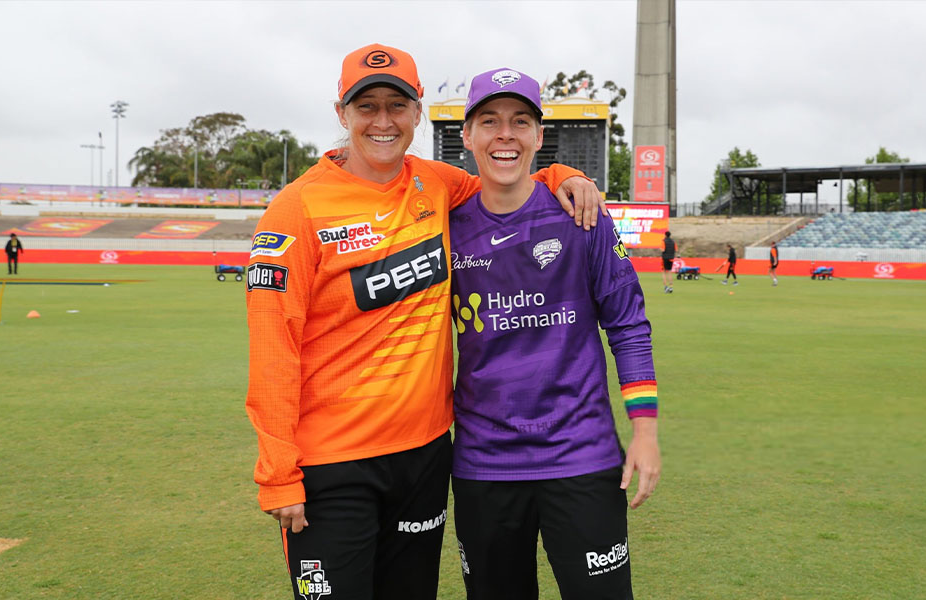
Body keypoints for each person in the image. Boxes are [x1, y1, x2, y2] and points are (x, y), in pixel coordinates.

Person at [245, 44, 604, 600]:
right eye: (366, 107)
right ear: (342, 114)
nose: (383, 121)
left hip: (425, 456)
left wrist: (563, 173)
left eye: (397, 106)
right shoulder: (296, 209)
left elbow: (509, 181)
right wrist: (277, 473)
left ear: (418, 112)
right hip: (331, 465)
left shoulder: (437, 183)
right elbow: (273, 348)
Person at [448, 67, 660, 600]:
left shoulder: (581, 216)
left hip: (581, 456)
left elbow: (628, 324)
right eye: (489, 121)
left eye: (521, 121)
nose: (506, 134)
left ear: (539, 136)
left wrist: (645, 431)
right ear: (467, 135)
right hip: (484, 463)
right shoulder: (444, 227)